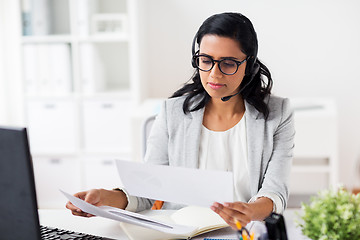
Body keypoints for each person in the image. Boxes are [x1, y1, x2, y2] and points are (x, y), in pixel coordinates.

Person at [66, 12, 295, 230]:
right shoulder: (172, 113)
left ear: (249, 64)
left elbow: (275, 192)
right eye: (206, 60)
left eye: (228, 63)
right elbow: (147, 190)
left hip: (245, 232)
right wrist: (104, 198)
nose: (214, 74)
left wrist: (251, 210)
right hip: (184, 232)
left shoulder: (277, 115)